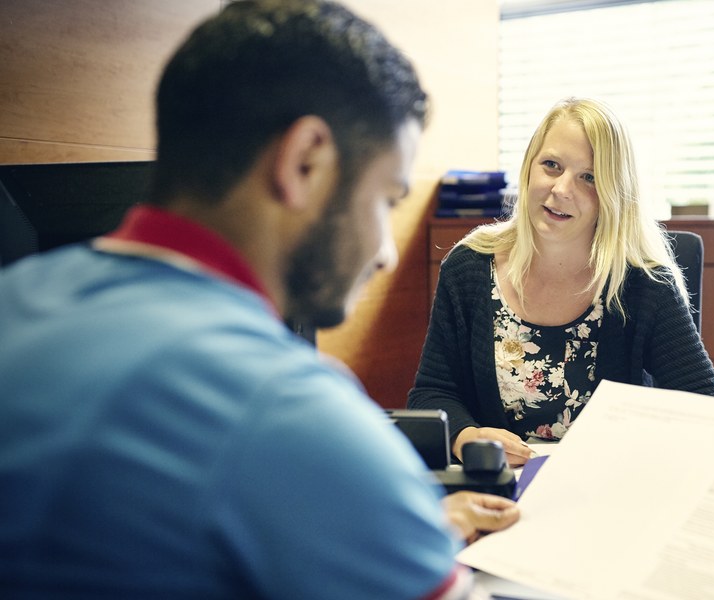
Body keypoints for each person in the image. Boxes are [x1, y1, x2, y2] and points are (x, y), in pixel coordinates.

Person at [0, 1, 516, 598]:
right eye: (387, 198)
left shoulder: (16, 299)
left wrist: (400, 530)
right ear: (305, 161)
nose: (385, 252)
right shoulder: (289, 408)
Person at [408, 98, 714, 468]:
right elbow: (433, 393)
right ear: (529, 167)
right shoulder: (469, 269)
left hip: (606, 491)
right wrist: (467, 437)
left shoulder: (642, 283)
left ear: (614, 194)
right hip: (500, 493)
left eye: (589, 177)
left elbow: (709, 411)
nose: (561, 189)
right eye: (551, 165)